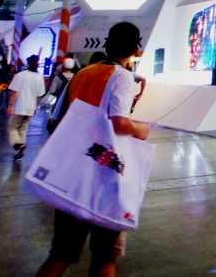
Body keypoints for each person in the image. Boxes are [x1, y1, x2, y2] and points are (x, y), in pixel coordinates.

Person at [37, 22, 150, 277]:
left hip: (73, 172)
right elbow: (120, 123)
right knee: (104, 257)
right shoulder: (122, 76)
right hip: (104, 175)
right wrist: (142, 130)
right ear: (136, 49)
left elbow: (57, 120)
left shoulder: (84, 73)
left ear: (107, 44)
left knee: (60, 254)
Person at [7, 55, 47, 161]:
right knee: (23, 128)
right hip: (31, 107)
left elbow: (14, 92)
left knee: (13, 127)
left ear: (27, 63)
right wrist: (36, 107)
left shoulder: (20, 75)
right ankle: (20, 151)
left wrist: (10, 105)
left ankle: (17, 144)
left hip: (19, 106)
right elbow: (40, 95)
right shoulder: (39, 77)